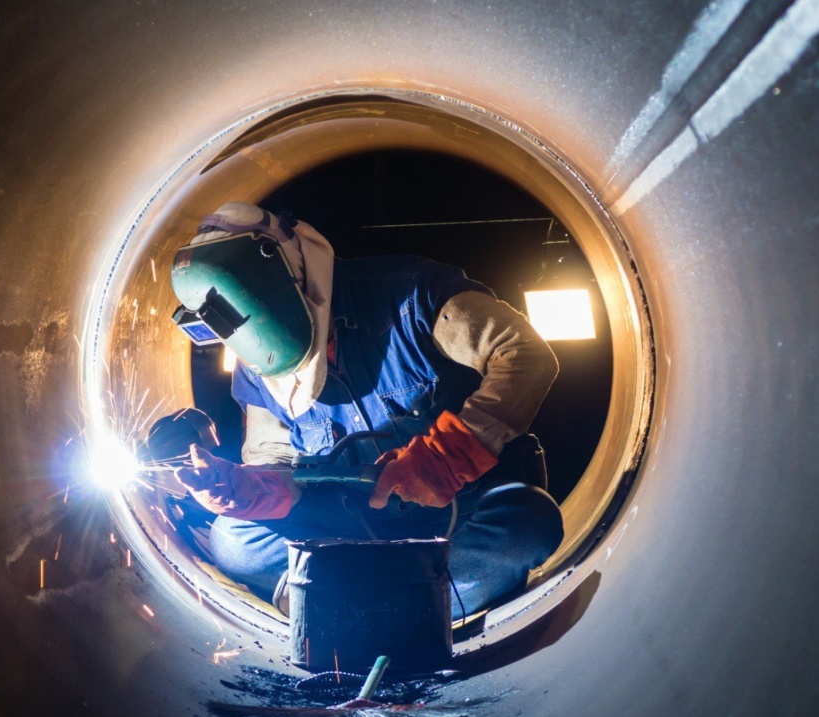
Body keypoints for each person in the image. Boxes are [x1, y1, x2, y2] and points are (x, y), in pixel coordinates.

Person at [169, 201, 564, 619]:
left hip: (457, 511)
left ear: (293, 286)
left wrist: (447, 457)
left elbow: (524, 354)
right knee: (233, 539)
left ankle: (342, 604)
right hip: (345, 527)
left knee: (527, 523)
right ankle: (408, 606)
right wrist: (249, 492)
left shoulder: (414, 295)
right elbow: (275, 460)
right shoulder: (254, 363)